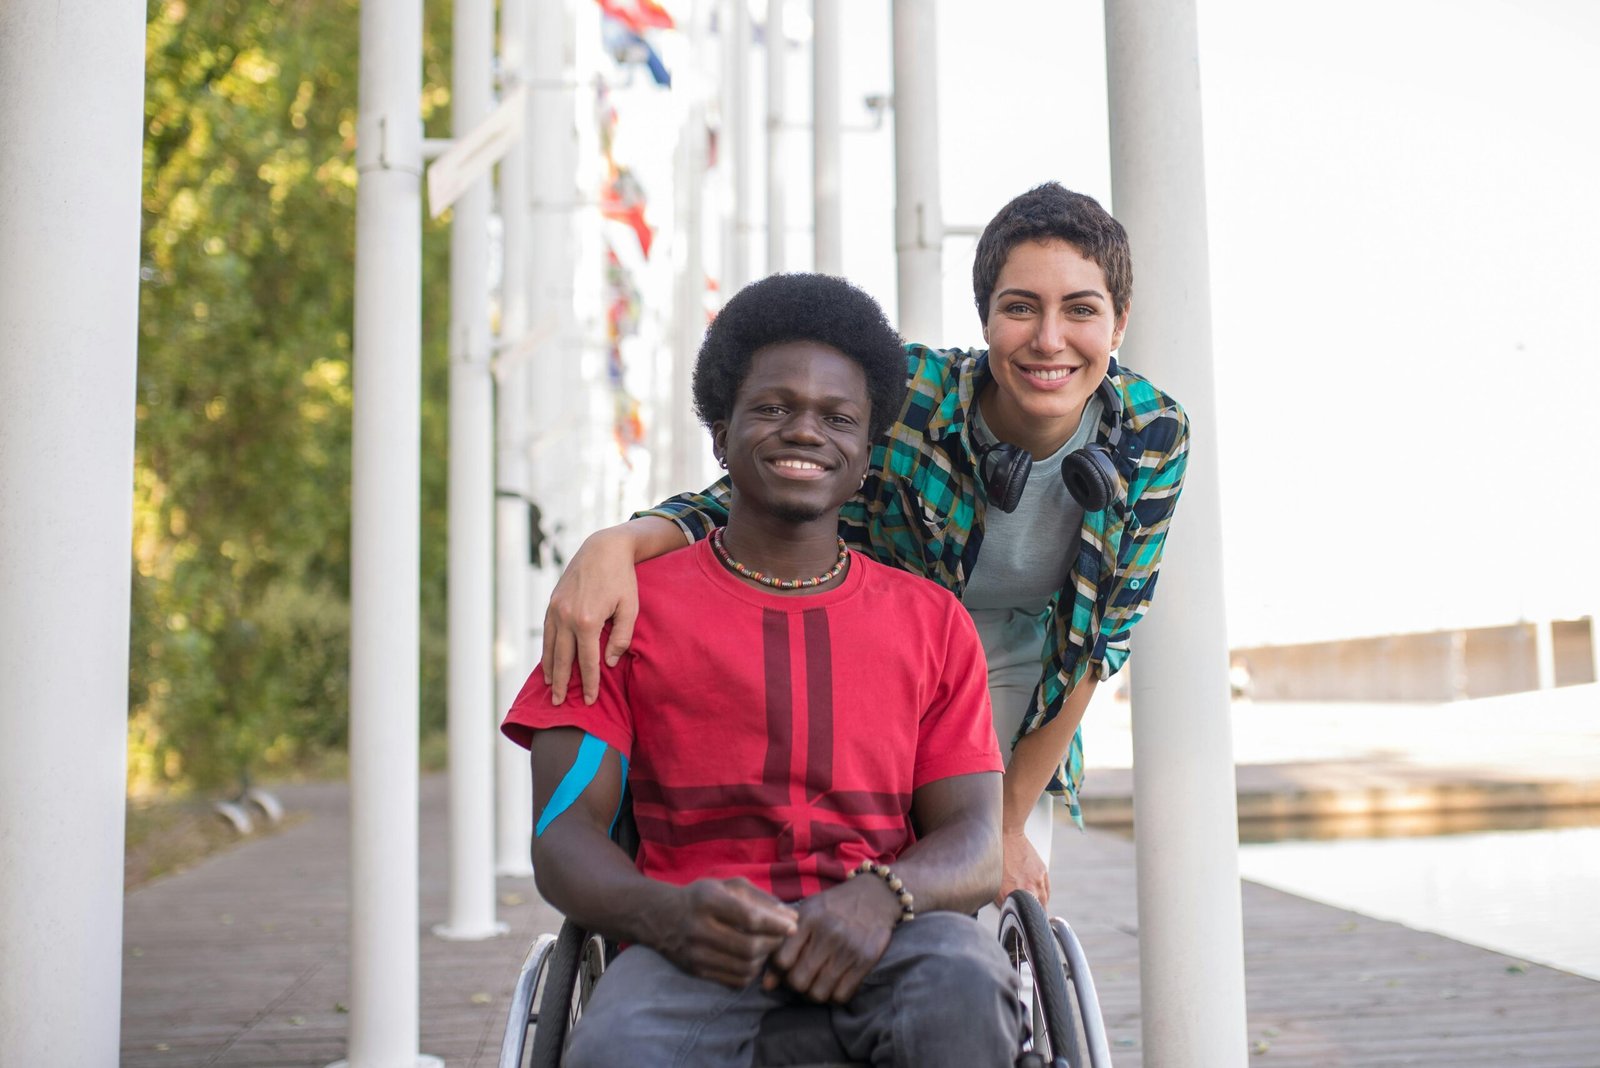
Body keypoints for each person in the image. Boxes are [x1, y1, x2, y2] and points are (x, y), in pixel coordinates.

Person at [543, 183, 1189, 910]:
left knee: (985, 889)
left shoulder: (1153, 437)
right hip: (893, 637)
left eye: (1081, 309)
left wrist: (1006, 826)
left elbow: (1097, 644)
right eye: (1020, 307)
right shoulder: (913, 392)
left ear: (1119, 321)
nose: (1048, 339)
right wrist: (622, 542)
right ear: (985, 317)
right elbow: (763, 488)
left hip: (1031, 661)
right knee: (876, 843)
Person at [502, 272, 1023, 1067]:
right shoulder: (619, 613)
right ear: (720, 432)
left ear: (866, 450)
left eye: (836, 417)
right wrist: (665, 916)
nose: (805, 431)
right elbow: (561, 836)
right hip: (686, 944)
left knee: (966, 986)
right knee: (612, 1048)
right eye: (774, 408)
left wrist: (879, 896)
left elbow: (978, 841)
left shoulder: (931, 623)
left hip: (887, 934)